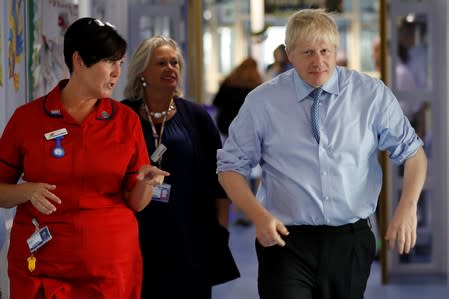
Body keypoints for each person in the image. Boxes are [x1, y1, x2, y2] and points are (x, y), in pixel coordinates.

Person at [217, 8, 427, 299]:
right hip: (285, 240)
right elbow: (230, 167)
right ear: (289, 54)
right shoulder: (262, 102)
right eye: (307, 53)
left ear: (335, 49)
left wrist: (407, 209)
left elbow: (413, 153)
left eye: (325, 51)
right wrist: (258, 216)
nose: (319, 62)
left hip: (350, 240)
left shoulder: (370, 95)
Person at [0, 17, 168, 299]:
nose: (117, 72)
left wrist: (146, 182)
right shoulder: (28, 119)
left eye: (120, 63)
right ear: (79, 61)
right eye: (108, 61)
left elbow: (137, 203)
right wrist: (26, 191)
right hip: (43, 267)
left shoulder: (125, 121)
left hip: (109, 269)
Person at [122, 35, 240, 299]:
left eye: (174, 62)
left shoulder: (196, 116)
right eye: (161, 63)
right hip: (135, 235)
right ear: (142, 71)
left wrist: (220, 231)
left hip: (189, 236)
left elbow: (218, 179)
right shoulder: (122, 116)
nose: (170, 68)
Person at [213, 57, 263, 137]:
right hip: (247, 126)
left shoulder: (228, 82)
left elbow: (216, 102)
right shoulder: (257, 87)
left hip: (225, 124)